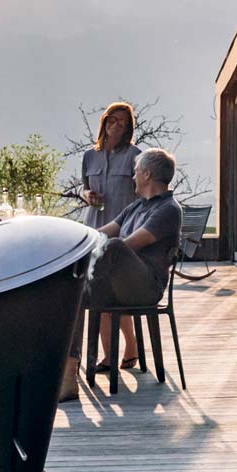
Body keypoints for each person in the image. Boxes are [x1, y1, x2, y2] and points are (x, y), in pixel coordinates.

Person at [61, 148, 182, 401]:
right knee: (74, 291)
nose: (133, 176)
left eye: (136, 171)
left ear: (146, 174)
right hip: (117, 284)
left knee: (115, 247)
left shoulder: (168, 209)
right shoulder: (136, 206)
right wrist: (72, 241)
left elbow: (128, 246)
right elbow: (99, 234)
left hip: (146, 287)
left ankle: (81, 280)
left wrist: (88, 259)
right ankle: (68, 373)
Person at [80, 102, 142, 371]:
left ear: (128, 128)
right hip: (93, 232)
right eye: (113, 120)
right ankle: (123, 350)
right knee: (98, 294)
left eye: (123, 122)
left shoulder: (136, 156)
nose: (117, 125)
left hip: (123, 237)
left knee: (112, 295)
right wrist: (87, 195)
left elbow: (144, 195)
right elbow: (83, 188)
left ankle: (115, 354)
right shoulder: (89, 156)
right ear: (104, 121)